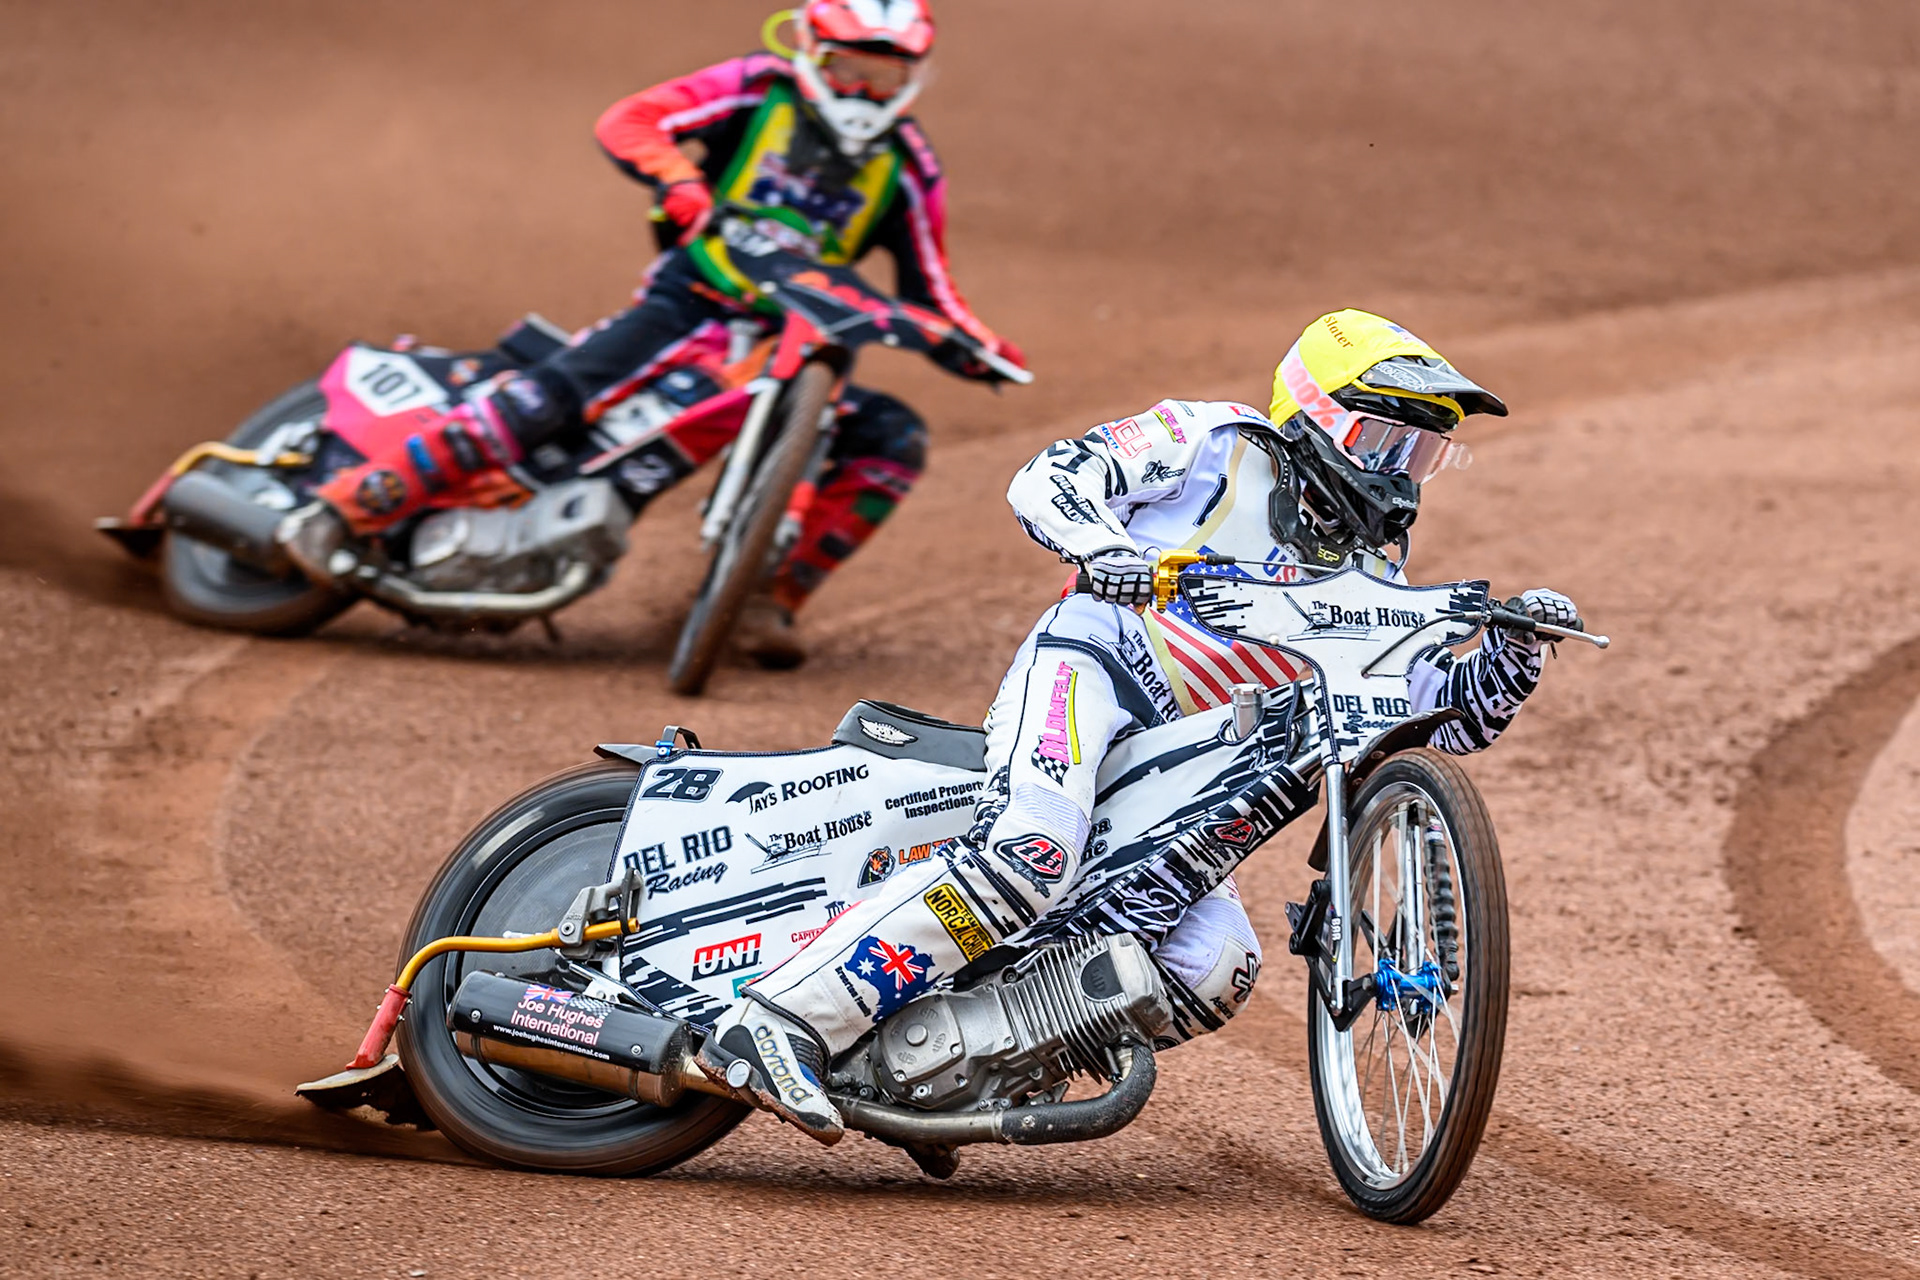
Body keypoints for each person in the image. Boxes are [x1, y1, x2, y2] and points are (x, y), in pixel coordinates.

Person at [697, 309, 1582, 1144]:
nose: (1398, 470)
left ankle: (953, 1072)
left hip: (1190, 758)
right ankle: (772, 1022)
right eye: (1383, 438)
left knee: (1214, 964)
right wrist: (1108, 550)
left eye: (1422, 451)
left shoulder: (1375, 560)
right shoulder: (1215, 441)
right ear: (1314, 414)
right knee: (1029, 855)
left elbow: (1428, 713)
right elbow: (1050, 477)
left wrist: (1511, 656)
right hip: (1097, 671)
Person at [278, 0, 1022, 665]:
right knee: (554, 396)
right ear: (810, 50)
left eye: (884, 78)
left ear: (915, 76)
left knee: (892, 434)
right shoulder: (758, 87)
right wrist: (678, 177)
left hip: (800, 341)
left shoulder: (910, 166)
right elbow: (631, 119)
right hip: (693, 297)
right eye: (849, 68)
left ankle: (767, 601)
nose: (863, 92)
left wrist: (982, 346)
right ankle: (348, 508)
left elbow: (932, 285)